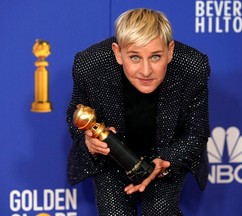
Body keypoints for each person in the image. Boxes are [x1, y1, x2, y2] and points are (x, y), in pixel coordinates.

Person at [66, 8, 211, 216]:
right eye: (135, 57)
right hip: (112, 158)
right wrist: (88, 142)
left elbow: (196, 132)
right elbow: (76, 112)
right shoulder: (90, 66)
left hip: (165, 155)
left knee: (160, 212)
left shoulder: (193, 67)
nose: (145, 71)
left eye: (155, 57)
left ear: (170, 51)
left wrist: (167, 160)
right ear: (117, 52)